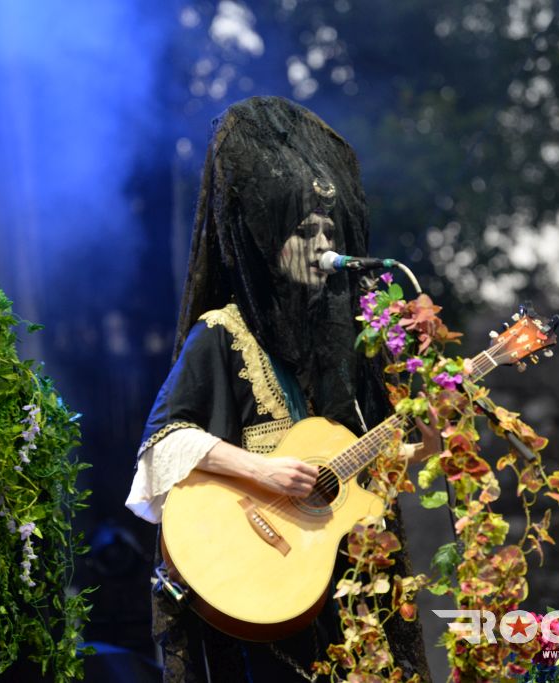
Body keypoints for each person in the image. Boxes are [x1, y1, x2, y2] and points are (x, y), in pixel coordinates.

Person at [126, 96, 431, 682]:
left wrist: (437, 428)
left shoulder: (349, 344)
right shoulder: (221, 334)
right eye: (303, 231)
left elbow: (385, 461)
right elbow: (161, 446)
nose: (322, 245)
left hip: (341, 582)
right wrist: (263, 472)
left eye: (328, 230)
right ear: (266, 241)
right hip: (261, 582)